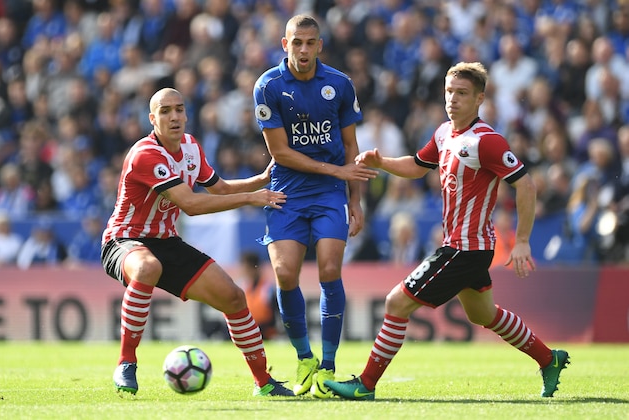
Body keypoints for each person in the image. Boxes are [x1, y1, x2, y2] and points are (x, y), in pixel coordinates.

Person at [324, 62, 570, 400]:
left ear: (480, 98)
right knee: (483, 313)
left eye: (462, 93)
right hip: (465, 247)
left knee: (396, 302)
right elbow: (417, 165)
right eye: (449, 92)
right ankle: (549, 358)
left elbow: (526, 185)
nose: (452, 99)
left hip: (465, 248)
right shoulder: (444, 133)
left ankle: (365, 385)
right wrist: (383, 163)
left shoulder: (487, 141)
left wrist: (523, 240)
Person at [101, 87, 294, 397]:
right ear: (152, 119)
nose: (174, 116)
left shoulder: (191, 148)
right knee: (147, 267)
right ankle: (126, 362)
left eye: (179, 109)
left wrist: (259, 181)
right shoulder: (145, 155)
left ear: (187, 114)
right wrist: (252, 198)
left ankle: (264, 383)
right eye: (165, 111)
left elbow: (219, 188)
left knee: (233, 297)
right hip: (124, 239)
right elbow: (190, 204)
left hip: (167, 240)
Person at [252, 15, 378, 399]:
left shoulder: (339, 84)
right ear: (284, 43)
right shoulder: (268, 86)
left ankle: (327, 365)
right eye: (297, 43)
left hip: (328, 192)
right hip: (287, 190)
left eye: (310, 43)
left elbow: (351, 148)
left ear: (320, 45)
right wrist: (334, 169)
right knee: (285, 272)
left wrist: (354, 199)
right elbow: (279, 152)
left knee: (328, 269)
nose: (303, 50)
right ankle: (303, 357)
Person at [239, 250, 279, 340]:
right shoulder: (242, 286)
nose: (245, 272)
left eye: (248, 268)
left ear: (255, 268)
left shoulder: (268, 288)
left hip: (264, 331)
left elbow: (274, 314)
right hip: (245, 330)